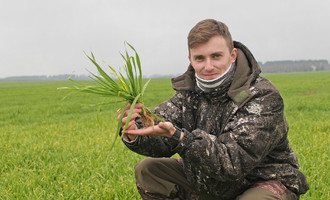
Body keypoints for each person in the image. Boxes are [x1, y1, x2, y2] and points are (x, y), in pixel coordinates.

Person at [119, 19, 309, 200]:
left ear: (232, 55)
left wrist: (181, 138)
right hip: (210, 181)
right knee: (149, 170)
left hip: (260, 181)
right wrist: (135, 130)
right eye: (200, 58)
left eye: (216, 56)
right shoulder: (188, 95)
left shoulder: (263, 96)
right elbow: (161, 132)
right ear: (190, 59)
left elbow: (233, 162)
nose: (208, 66)